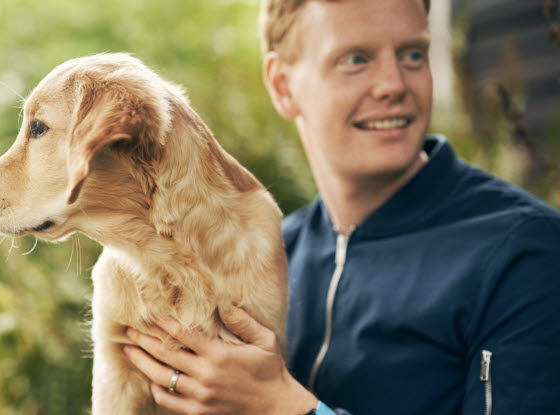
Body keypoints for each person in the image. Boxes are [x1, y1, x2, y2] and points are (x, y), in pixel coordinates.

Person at [122, 0, 560, 413]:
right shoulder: (266, 252)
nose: (394, 84)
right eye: (356, 59)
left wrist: (286, 407)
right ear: (282, 85)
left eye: (412, 54)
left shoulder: (524, 252)